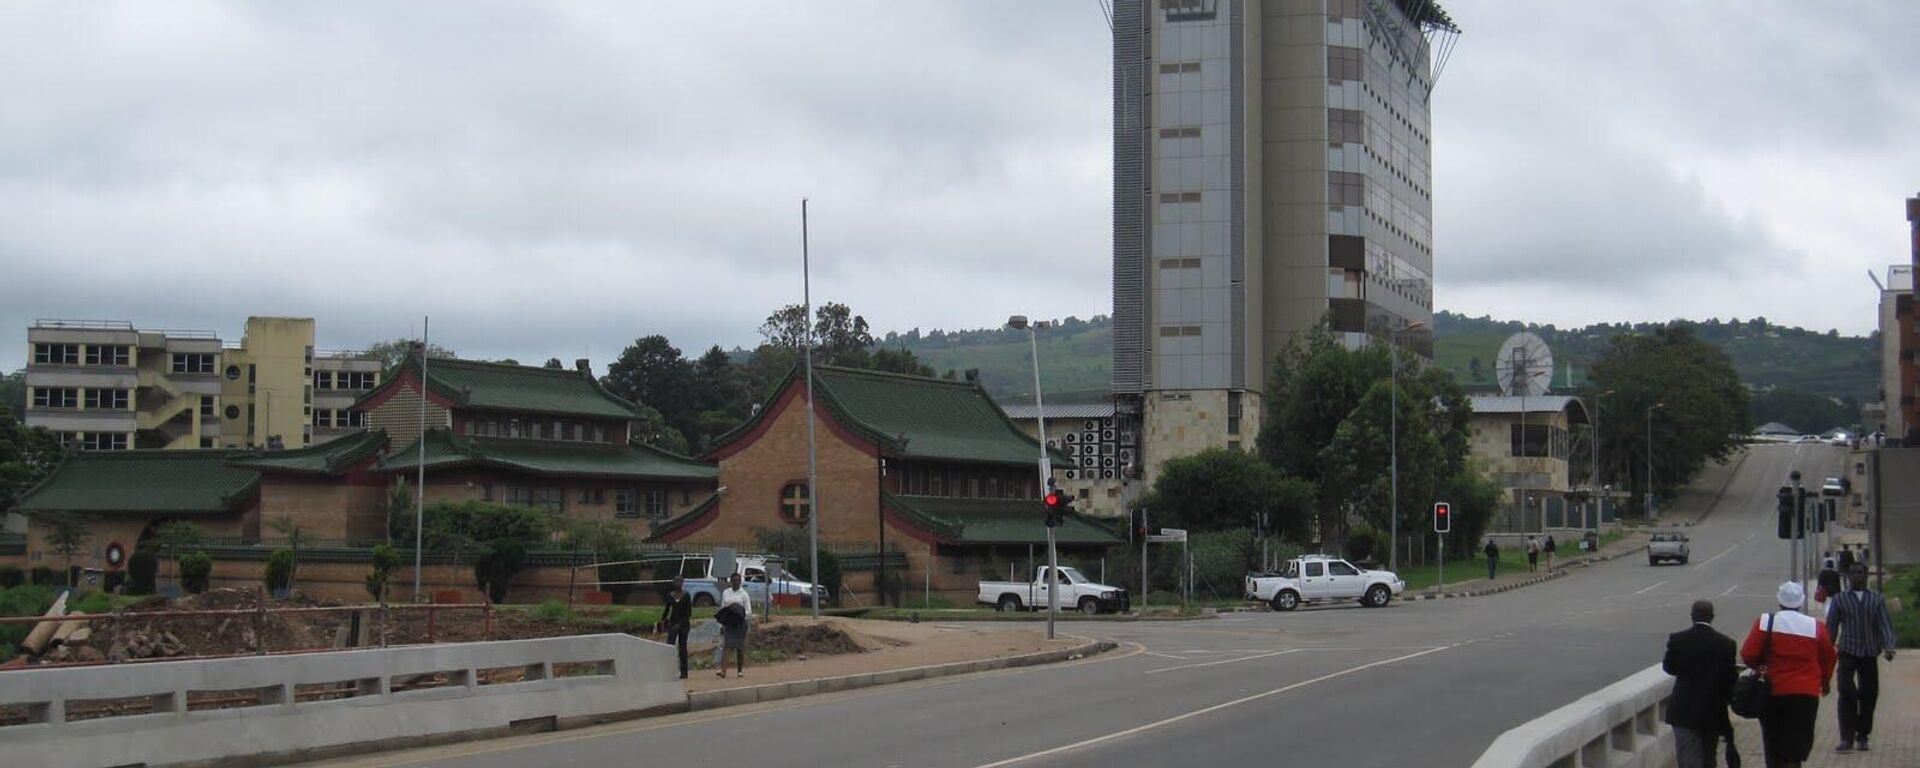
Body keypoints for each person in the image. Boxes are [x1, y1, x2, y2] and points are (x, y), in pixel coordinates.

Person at [1741, 582, 1836, 768]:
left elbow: (1748, 654)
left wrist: (1761, 667)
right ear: (1801, 602)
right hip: (1806, 693)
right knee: (1797, 742)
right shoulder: (1815, 626)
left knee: (1773, 741)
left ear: (1779, 601)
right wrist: (1824, 683)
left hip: (1773, 692)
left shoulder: (1765, 622)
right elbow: (1829, 657)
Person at [1826, 562, 1898, 753]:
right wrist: (1826, 650)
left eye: (1861, 573)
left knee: (1869, 694)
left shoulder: (1876, 599)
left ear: (1866, 576)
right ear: (1848, 576)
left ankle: (1863, 735)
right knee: (1846, 692)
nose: (1857, 576)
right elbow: (1831, 627)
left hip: (1869, 653)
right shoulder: (1839, 599)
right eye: (1854, 573)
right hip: (1847, 652)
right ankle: (1846, 738)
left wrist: (1889, 647)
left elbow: (1885, 625)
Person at [1663, 600, 1738, 768]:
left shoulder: (1678, 640)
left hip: (1683, 710)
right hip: (1712, 711)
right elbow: (1730, 679)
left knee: (1688, 758)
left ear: (1692, 616)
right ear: (1712, 617)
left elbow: (1669, 667)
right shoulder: (1726, 644)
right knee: (1709, 757)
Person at [714, 572, 752, 678]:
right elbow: (723, 608)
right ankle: (723, 670)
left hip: (740, 623)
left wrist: (739, 613)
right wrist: (722, 624)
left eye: (738, 580)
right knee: (727, 646)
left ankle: (739, 670)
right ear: (730, 581)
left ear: (740, 581)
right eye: (734, 580)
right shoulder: (726, 593)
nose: (736, 582)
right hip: (729, 623)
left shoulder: (744, 594)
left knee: (739, 647)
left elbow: (749, 611)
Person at [657, 577, 693, 679]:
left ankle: (684, 672)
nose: (679, 583)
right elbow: (667, 609)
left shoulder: (686, 596)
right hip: (673, 624)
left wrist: (681, 624)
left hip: (684, 625)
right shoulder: (671, 595)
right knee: (670, 647)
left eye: (680, 581)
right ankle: (669, 670)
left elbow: (688, 613)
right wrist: (662, 620)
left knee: (682, 648)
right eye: (677, 581)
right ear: (673, 582)